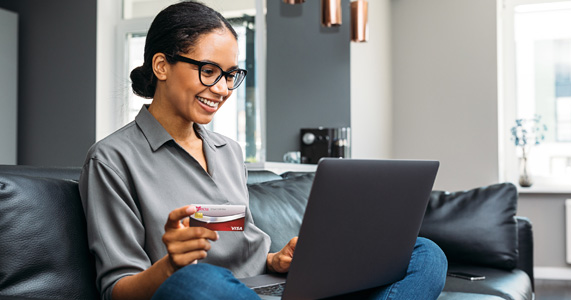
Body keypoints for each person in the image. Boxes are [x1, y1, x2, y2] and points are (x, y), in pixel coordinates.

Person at [79, 2, 447, 300]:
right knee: (199, 282)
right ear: (161, 65)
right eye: (209, 71)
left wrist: (278, 261)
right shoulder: (112, 159)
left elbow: (243, 250)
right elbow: (117, 290)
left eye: (230, 74)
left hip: (267, 290)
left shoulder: (228, 151)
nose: (222, 89)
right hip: (200, 292)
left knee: (424, 252)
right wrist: (172, 266)